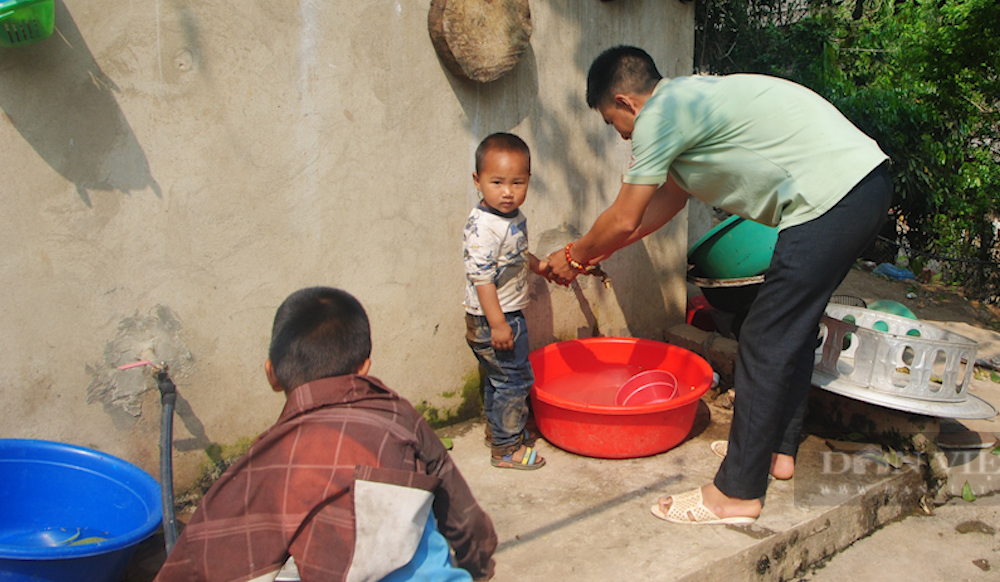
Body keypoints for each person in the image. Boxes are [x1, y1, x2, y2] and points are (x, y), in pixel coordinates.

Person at [546, 47, 893, 525]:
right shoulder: (688, 102)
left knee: (763, 335)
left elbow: (625, 215)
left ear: (627, 103)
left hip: (831, 196)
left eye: (613, 123)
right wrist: (603, 250)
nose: (621, 134)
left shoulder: (659, 117)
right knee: (788, 330)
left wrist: (573, 255)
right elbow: (663, 202)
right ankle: (777, 451)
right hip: (860, 187)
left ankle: (737, 491)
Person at [156, 287, 497, 581]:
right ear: (365, 366)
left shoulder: (267, 459)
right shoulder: (397, 415)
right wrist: (478, 562)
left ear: (272, 375)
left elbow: (207, 553)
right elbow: (460, 509)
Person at [464, 132, 552, 470]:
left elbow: (514, 251)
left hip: (504, 315)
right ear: (477, 180)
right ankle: (506, 449)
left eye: (517, 182)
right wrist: (498, 323)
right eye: (497, 182)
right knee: (514, 381)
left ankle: (497, 431)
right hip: (494, 318)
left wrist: (539, 265)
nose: (507, 191)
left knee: (497, 379)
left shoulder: (510, 218)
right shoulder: (483, 227)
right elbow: (482, 279)